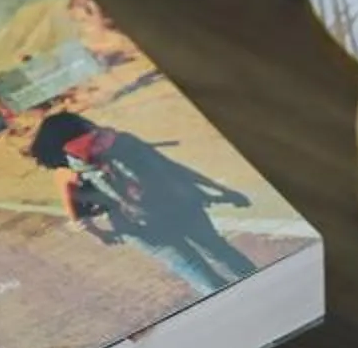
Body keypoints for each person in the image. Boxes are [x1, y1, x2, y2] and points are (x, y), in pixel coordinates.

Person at [27, 113, 252, 291]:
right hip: (181, 208)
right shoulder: (122, 140)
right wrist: (222, 190)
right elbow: (172, 168)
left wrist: (101, 234)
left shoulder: (67, 173)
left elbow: (78, 215)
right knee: (221, 251)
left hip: (140, 229)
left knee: (196, 270)